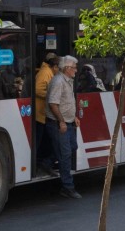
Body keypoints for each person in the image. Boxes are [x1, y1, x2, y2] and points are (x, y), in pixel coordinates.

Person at [45, 55, 81, 199]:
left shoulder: (68, 80)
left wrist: (74, 117)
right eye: (74, 68)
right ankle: (67, 187)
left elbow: (67, 102)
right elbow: (53, 104)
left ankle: (46, 162)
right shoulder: (58, 81)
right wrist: (61, 122)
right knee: (65, 155)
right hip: (59, 123)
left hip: (68, 122)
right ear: (66, 68)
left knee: (73, 147)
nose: (76, 70)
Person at [35, 53, 59, 176]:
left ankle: (42, 163)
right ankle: (38, 165)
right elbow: (38, 89)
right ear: (53, 65)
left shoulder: (47, 71)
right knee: (38, 141)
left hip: (44, 113)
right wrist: (51, 96)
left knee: (43, 141)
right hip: (40, 113)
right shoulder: (45, 72)